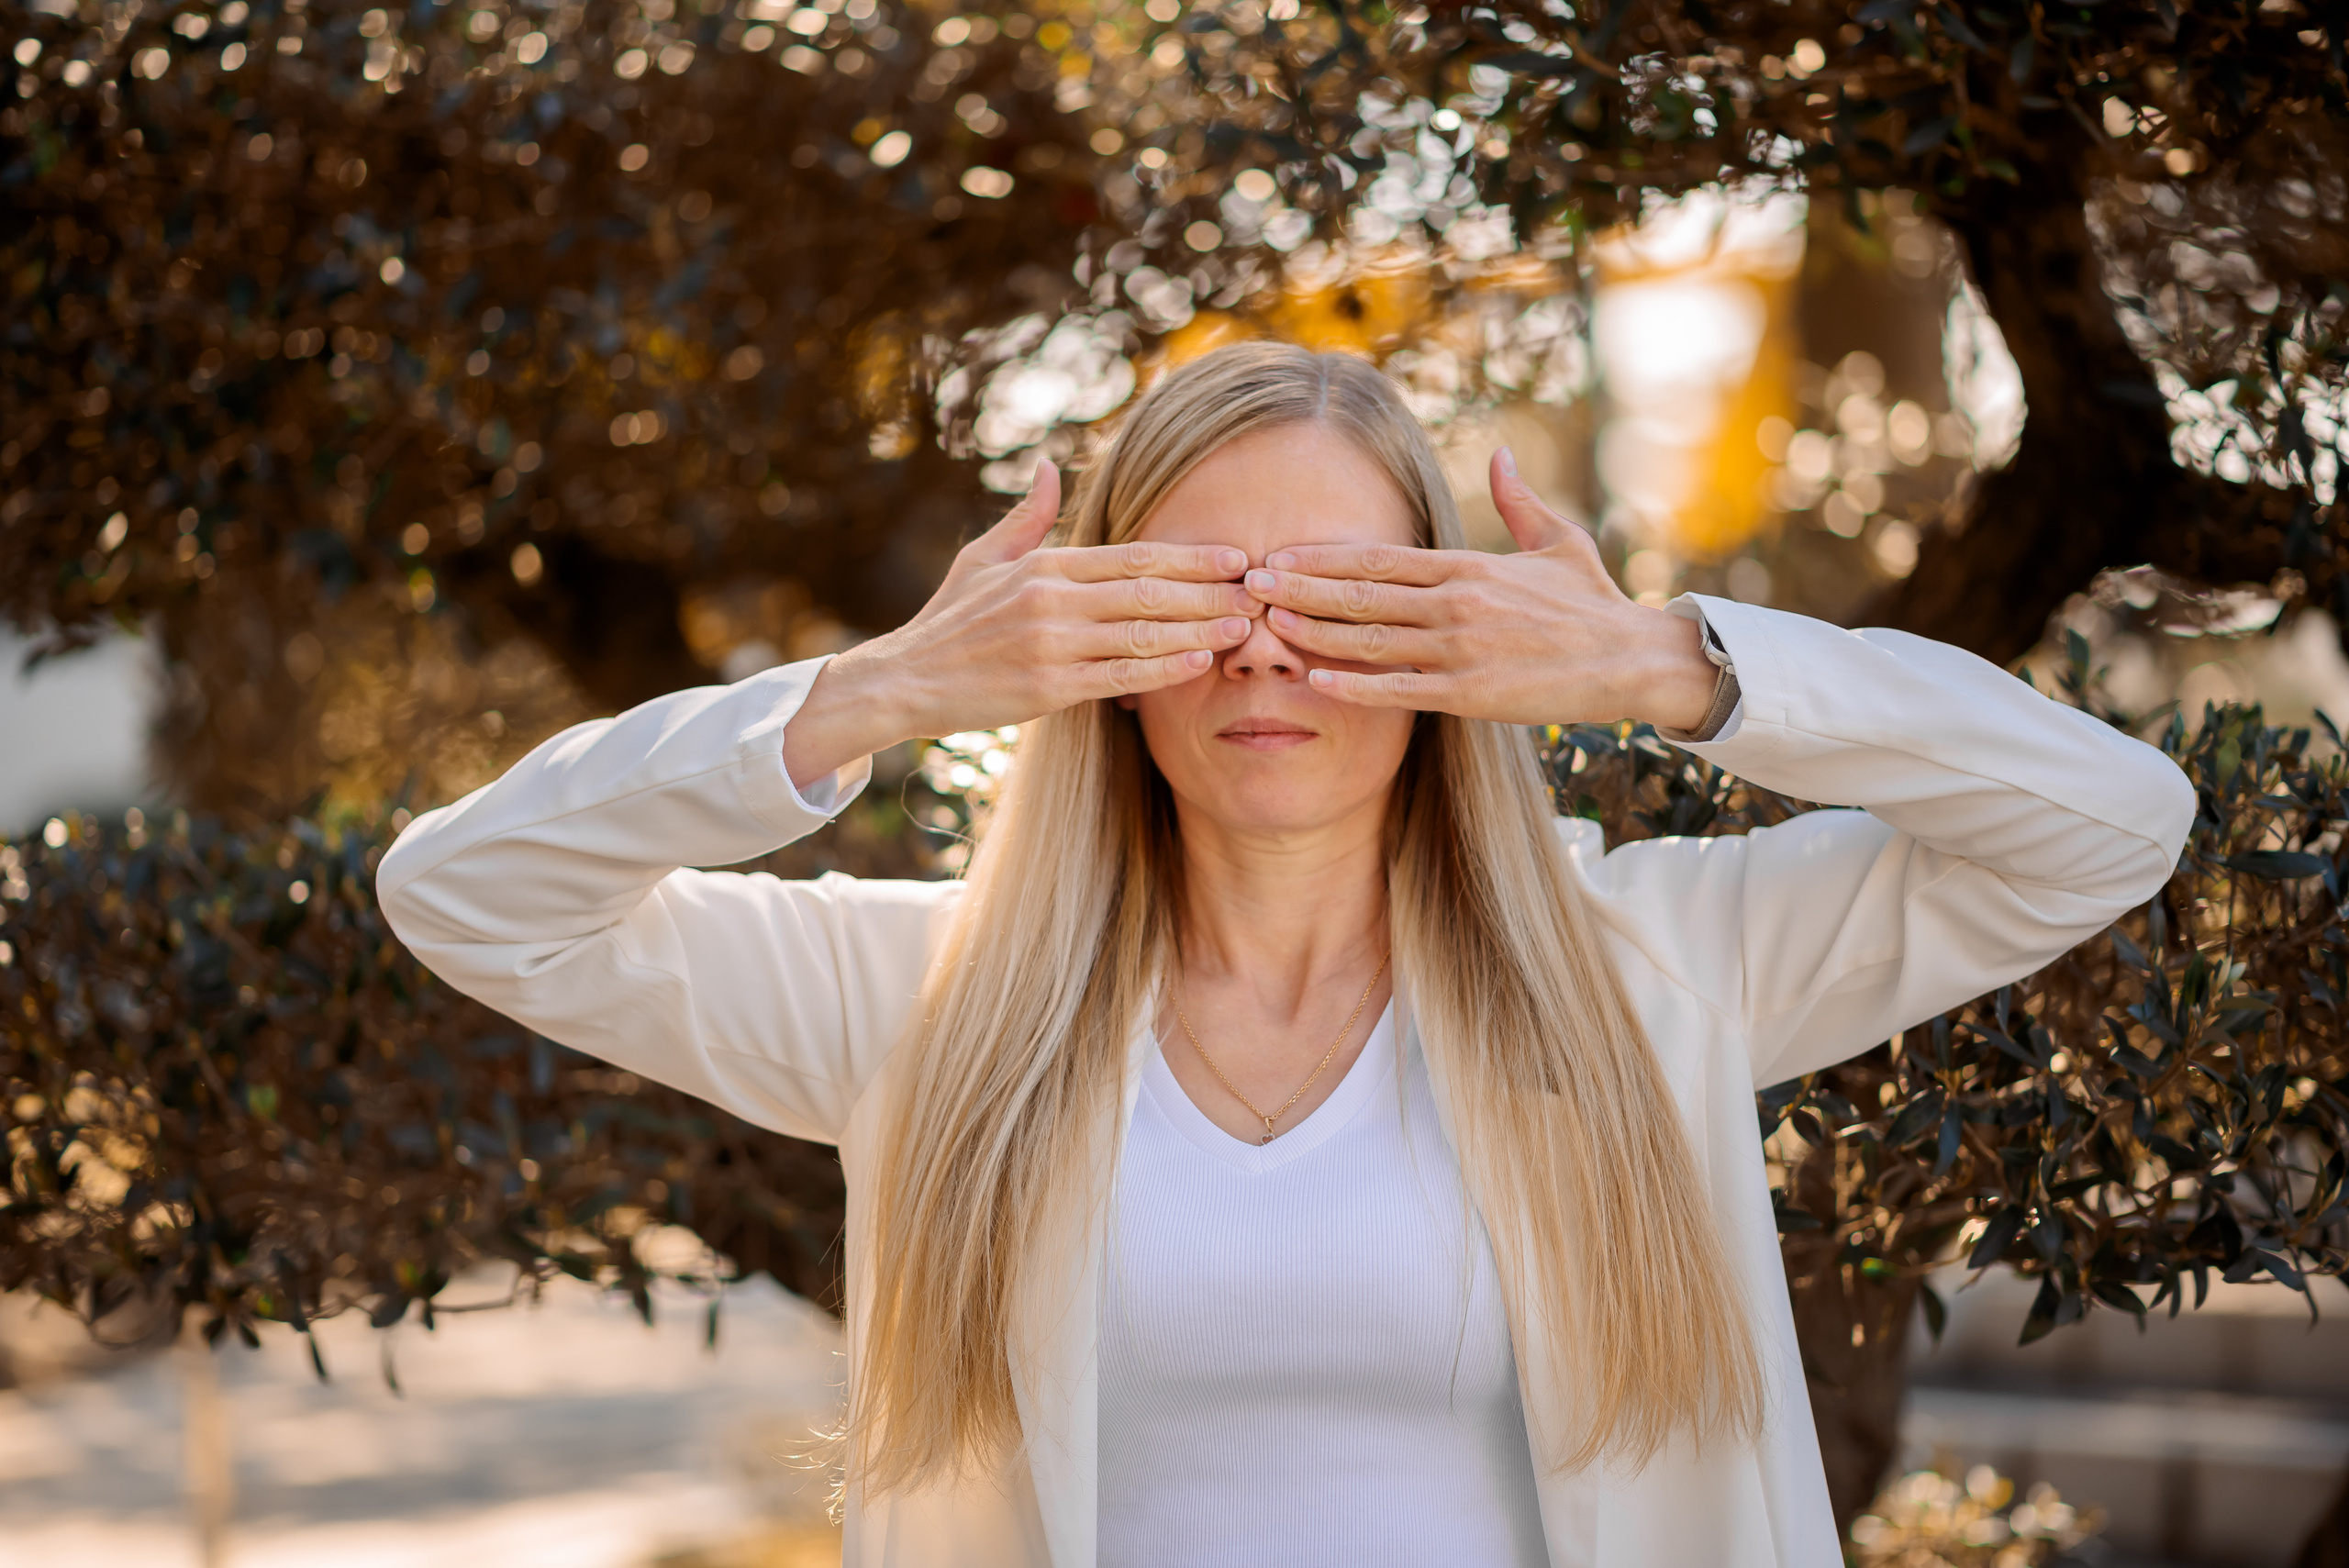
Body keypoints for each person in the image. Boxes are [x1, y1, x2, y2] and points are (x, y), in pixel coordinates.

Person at [379, 342, 2195, 1566]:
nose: (1262, 658)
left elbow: (2106, 824)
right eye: (1181, 600)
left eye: (1343, 600)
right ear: (1085, 644)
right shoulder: (920, 1003)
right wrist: (890, 688)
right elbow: (467, 895)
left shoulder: (1653, 969)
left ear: (1454, 635)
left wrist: (1661, 666)